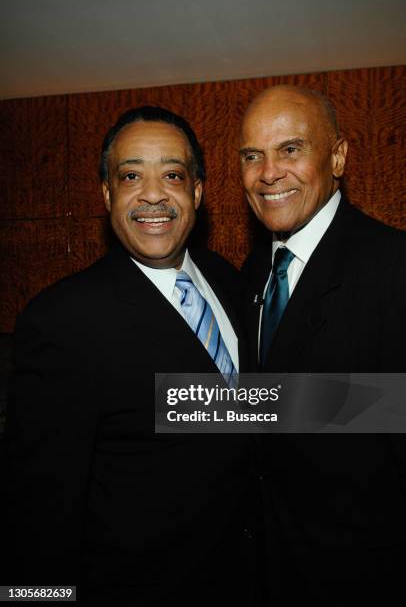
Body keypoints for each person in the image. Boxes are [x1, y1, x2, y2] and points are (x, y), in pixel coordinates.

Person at [7, 106, 259, 606]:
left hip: (248, 578)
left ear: (197, 192)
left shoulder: (231, 281)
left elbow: (245, 410)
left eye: (171, 174)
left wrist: (380, 406)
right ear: (107, 195)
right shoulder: (61, 321)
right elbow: (36, 513)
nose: (152, 194)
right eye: (130, 176)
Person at [239, 85, 406, 604]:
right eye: (252, 156)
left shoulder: (394, 266)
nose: (269, 172)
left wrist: (181, 404)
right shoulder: (249, 276)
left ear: (337, 156)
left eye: (290, 149)